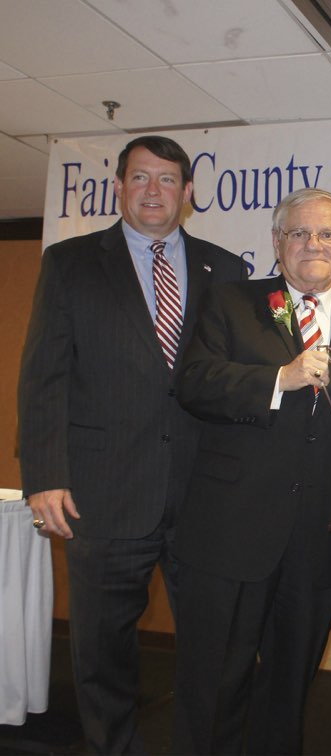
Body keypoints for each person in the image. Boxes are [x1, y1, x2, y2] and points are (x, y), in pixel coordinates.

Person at [17, 135, 247, 753]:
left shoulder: (226, 270)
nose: (153, 190)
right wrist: (44, 475)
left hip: (204, 497)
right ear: (118, 187)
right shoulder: (70, 264)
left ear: (188, 193)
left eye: (167, 179)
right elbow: (44, 377)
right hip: (104, 495)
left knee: (212, 652)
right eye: (140, 177)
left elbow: (236, 384)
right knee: (102, 654)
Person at [171, 188, 331, 755]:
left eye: (327, 234)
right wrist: (280, 378)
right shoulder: (230, 303)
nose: (313, 244)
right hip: (231, 532)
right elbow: (193, 384)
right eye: (299, 233)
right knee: (214, 685)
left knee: (290, 687)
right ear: (277, 243)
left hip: (318, 539)